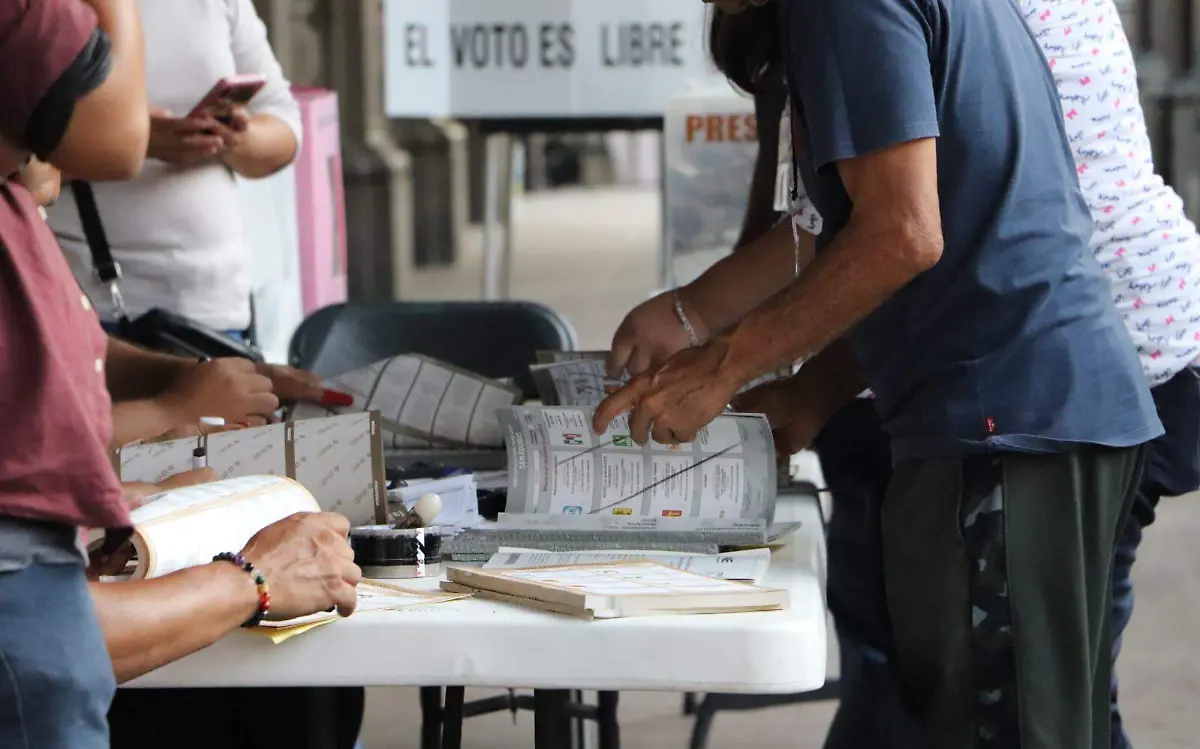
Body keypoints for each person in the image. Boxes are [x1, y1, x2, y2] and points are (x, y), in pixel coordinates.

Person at [598, 0, 1165, 747]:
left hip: (1003, 428)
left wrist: (721, 364)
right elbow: (950, 221)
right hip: (1046, 409)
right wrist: (809, 389)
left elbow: (902, 234)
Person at [47, 0, 303, 342]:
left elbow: (284, 127)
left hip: (217, 301)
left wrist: (232, 138)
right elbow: (17, 163)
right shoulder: (42, 11)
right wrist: (137, 142)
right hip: (95, 303)